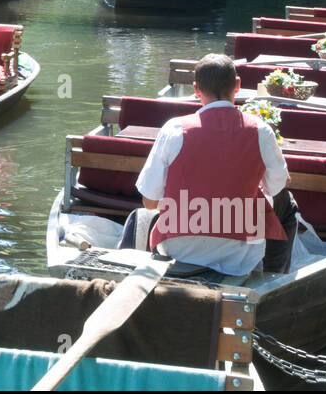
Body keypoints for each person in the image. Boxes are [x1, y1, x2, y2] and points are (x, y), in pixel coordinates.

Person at [123, 53, 297, 276]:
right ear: (237, 86)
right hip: (240, 256)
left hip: (178, 249)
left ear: (196, 89)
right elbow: (276, 187)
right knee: (287, 204)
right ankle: (274, 278)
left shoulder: (174, 129)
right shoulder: (261, 130)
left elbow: (149, 202)